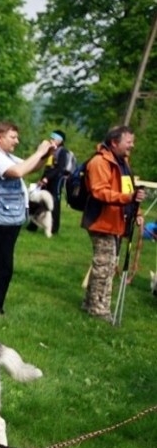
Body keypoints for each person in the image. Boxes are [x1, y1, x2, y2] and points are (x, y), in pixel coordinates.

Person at [0, 122, 55, 314]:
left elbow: (29, 168)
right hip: (0, 218)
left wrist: (46, 155)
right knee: (3, 266)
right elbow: (17, 172)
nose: (16, 141)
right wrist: (38, 151)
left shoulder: (4, 156)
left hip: (5, 217)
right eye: (13, 137)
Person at [81, 125, 146, 323]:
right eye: (129, 142)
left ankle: (90, 303)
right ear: (114, 142)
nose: (132, 146)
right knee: (105, 266)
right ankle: (99, 310)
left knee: (106, 264)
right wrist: (128, 198)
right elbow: (99, 191)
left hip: (117, 222)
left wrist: (138, 211)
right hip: (102, 221)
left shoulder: (122, 162)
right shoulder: (100, 162)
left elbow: (129, 190)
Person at [27, 130, 74, 235]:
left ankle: (53, 228)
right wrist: (43, 178)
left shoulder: (63, 152)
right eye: (51, 138)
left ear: (60, 140)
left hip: (56, 180)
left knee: (54, 203)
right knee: (38, 201)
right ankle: (33, 225)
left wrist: (47, 178)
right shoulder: (51, 151)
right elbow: (48, 167)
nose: (51, 140)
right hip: (47, 179)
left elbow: (60, 168)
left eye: (53, 139)